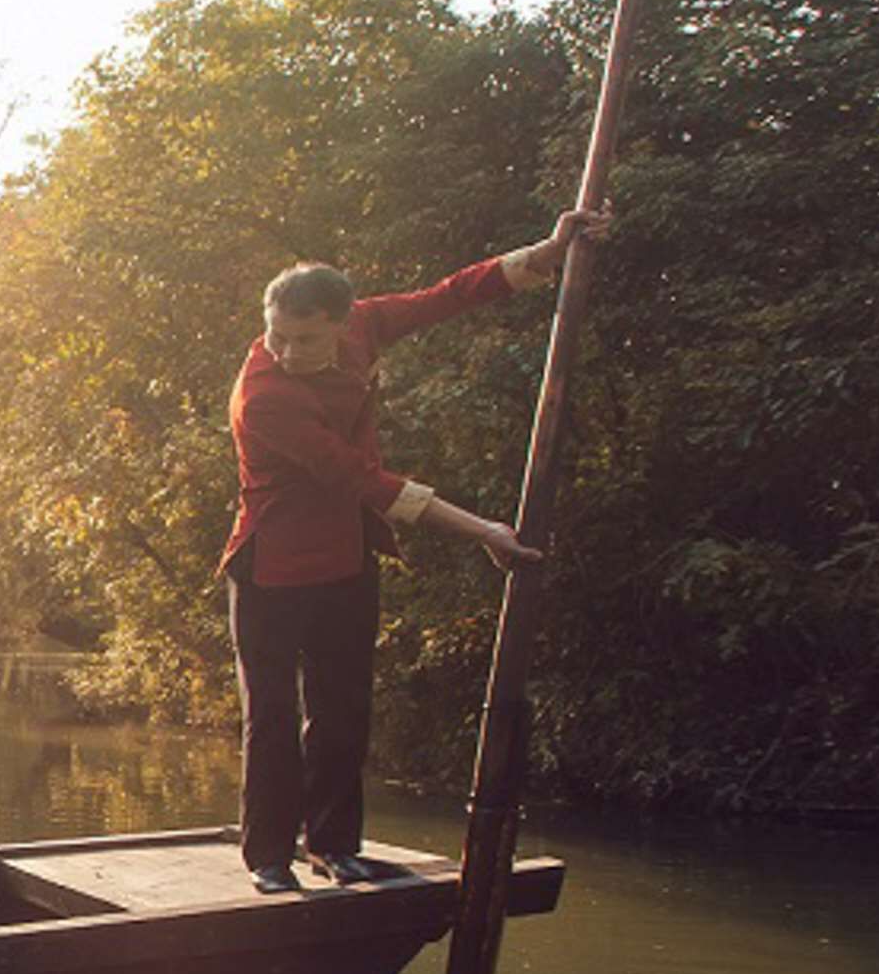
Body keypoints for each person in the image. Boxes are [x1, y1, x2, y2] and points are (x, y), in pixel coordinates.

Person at [222, 208, 605, 894]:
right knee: (272, 718)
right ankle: (269, 857)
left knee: (343, 710)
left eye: (304, 338)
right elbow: (365, 482)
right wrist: (483, 530)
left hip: (343, 557)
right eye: (277, 335)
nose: (286, 350)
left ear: (341, 322)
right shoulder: (266, 398)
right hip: (270, 568)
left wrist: (547, 252)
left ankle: (335, 845)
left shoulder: (365, 323)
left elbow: (448, 295)